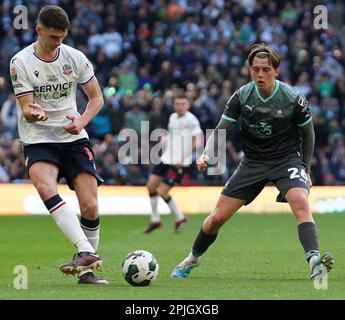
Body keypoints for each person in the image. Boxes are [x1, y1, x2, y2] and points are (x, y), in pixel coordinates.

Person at [171, 43, 334, 280]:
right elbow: (221, 129)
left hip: (286, 160)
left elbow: (308, 134)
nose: (260, 74)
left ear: (276, 71)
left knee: (300, 201)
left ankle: (314, 260)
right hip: (253, 162)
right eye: (255, 69)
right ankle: (192, 258)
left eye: (266, 69)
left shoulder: (293, 99)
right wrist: (206, 152)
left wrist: (306, 168)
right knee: (216, 218)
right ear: (250, 70)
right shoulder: (241, 96)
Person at [9, 5, 107, 285]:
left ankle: (86, 270)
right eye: (53, 37)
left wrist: (82, 122)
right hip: (39, 137)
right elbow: (26, 106)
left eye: (62, 38)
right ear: (38, 29)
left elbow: (96, 98)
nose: (57, 43)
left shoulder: (75, 58)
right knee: (44, 186)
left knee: (89, 206)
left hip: (73, 137)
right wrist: (33, 113)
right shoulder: (21, 62)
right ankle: (86, 251)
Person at [144, 93, 202, 233]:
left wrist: (183, 157)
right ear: (173, 104)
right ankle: (155, 219)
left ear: (188, 105)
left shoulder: (191, 120)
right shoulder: (172, 118)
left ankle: (179, 216)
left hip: (180, 162)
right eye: (177, 104)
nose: (180, 106)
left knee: (163, 191)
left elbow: (197, 142)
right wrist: (165, 139)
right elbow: (173, 136)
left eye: (183, 104)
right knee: (151, 186)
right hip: (167, 158)